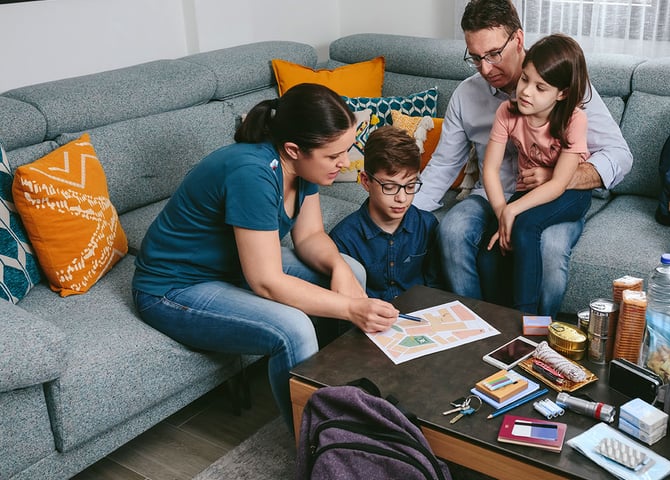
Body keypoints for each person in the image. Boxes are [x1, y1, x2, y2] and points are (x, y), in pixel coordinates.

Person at [131, 83, 400, 427]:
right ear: (293, 149)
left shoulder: (303, 167)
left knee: (351, 269)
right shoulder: (252, 173)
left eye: (345, 151)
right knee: (294, 329)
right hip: (173, 288)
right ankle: (314, 444)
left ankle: (344, 391)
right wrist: (351, 308)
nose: (345, 163)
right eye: (334, 156)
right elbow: (267, 282)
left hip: (230, 268)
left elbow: (310, 236)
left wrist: (338, 267)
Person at [413, 0, 633, 317]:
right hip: (492, 196)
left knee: (551, 248)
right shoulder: (467, 95)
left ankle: (537, 338)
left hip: (552, 197)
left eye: (493, 54)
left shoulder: (564, 85)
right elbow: (443, 167)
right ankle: (478, 328)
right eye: (475, 58)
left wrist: (561, 176)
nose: (486, 68)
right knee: (451, 230)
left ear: (518, 40)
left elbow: (620, 156)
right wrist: (401, 216)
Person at [484, 34, 592, 314]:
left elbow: (558, 184)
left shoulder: (574, 119)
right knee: (493, 247)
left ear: (562, 93)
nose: (526, 91)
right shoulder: (507, 112)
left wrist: (513, 211)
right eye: (525, 80)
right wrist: (501, 213)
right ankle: (500, 320)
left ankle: (528, 324)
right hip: (529, 191)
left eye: (540, 87)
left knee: (525, 226)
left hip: (570, 193)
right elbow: (490, 169)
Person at [329, 126, 443, 301]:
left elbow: (436, 287)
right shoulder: (344, 239)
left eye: (410, 186)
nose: (402, 198)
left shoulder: (427, 225)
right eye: (389, 187)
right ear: (366, 181)